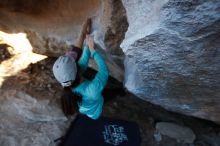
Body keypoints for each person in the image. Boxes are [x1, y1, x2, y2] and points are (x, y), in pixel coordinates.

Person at [52, 18, 109, 120]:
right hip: (95, 110)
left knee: (94, 98)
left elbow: (82, 59)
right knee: (104, 97)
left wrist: (87, 43)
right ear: (77, 71)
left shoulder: (68, 81)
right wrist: (93, 50)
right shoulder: (92, 90)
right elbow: (104, 70)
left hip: (85, 106)